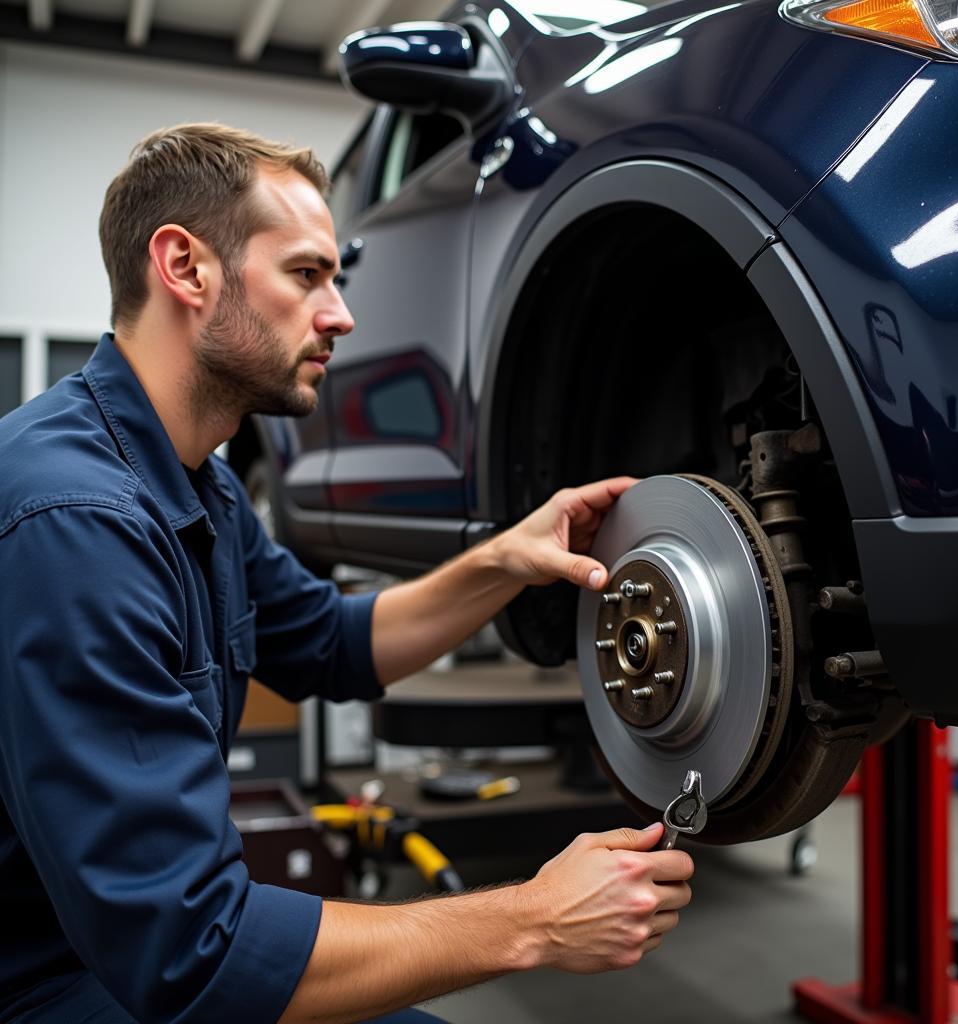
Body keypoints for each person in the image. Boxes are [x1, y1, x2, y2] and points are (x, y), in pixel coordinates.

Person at [0, 124, 694, 1024]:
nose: (341, 314)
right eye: (306, 274)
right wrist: (535, 919)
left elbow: (333, 641)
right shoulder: (76, 525)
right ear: (185, 267)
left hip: (115, 948)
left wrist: (501, 561)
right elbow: (194, 956)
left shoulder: (195, 483)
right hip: (45, 982)